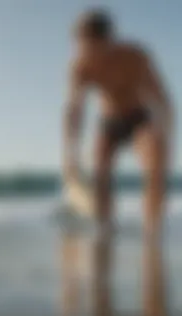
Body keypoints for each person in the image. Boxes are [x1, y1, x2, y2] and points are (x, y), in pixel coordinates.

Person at [63, 8, 173, 248]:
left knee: (156, 162)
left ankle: (153, 233)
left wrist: (167, 136)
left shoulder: (135, 58)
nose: (86, 53)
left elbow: (162, 98)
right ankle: (105, 230)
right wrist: (70, 155)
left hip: (138, 117)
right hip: (109, 123)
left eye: (92, 47)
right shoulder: (81, 67)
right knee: (100, 172)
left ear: (108, 41)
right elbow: (74, 112)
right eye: (82, 46)